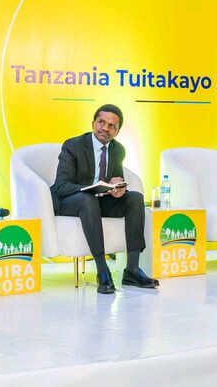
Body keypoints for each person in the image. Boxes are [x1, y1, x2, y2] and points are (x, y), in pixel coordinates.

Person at [51, 104, 159, 293]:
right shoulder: (73, 146)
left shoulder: (118, 150)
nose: (105, 128)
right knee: (87, 199)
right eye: (101, 122)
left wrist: (118, 189)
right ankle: (102, 269)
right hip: (70, 201)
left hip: (99, 200)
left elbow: (115, 180)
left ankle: (132, 270)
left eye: (112, 126)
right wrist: (91, 189)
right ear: (93, 123)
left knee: (135, 198)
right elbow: (61, 186)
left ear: (117, 131)